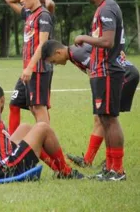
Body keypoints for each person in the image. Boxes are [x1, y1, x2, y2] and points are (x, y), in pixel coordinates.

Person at [0, 84, 83, 184]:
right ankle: (65, 171)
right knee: (43, 128)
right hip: (5, 169)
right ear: (2, 100)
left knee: (25, 127)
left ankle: (58, 169)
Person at [42, 40, 139, 168]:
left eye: (54, 61)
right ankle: (89, 160)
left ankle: (112, 161)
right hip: (126, 73)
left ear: (58, 52)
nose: (56, 64)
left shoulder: (77, 54)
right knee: (101, 118)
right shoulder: (75, 51)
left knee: (107, 118)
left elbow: (98, 67)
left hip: (125, 75)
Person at [74, 0, 126, 181]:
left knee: (110, 119)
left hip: (107, 71)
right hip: (101, 71)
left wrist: (83, 38)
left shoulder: (106, 8)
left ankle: (118, 171)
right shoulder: (105, 8)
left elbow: (107, 41)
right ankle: (111, 168)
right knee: (104, 119)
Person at [4, 0, 54, 134]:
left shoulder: (44, 15)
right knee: (23, 105)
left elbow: (43, 45)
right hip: (28, 70)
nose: (21, 0)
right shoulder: (28, 14)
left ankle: (49, 148)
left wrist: (30, 68)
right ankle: (14, 145)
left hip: (38, 69)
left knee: (38, 109)